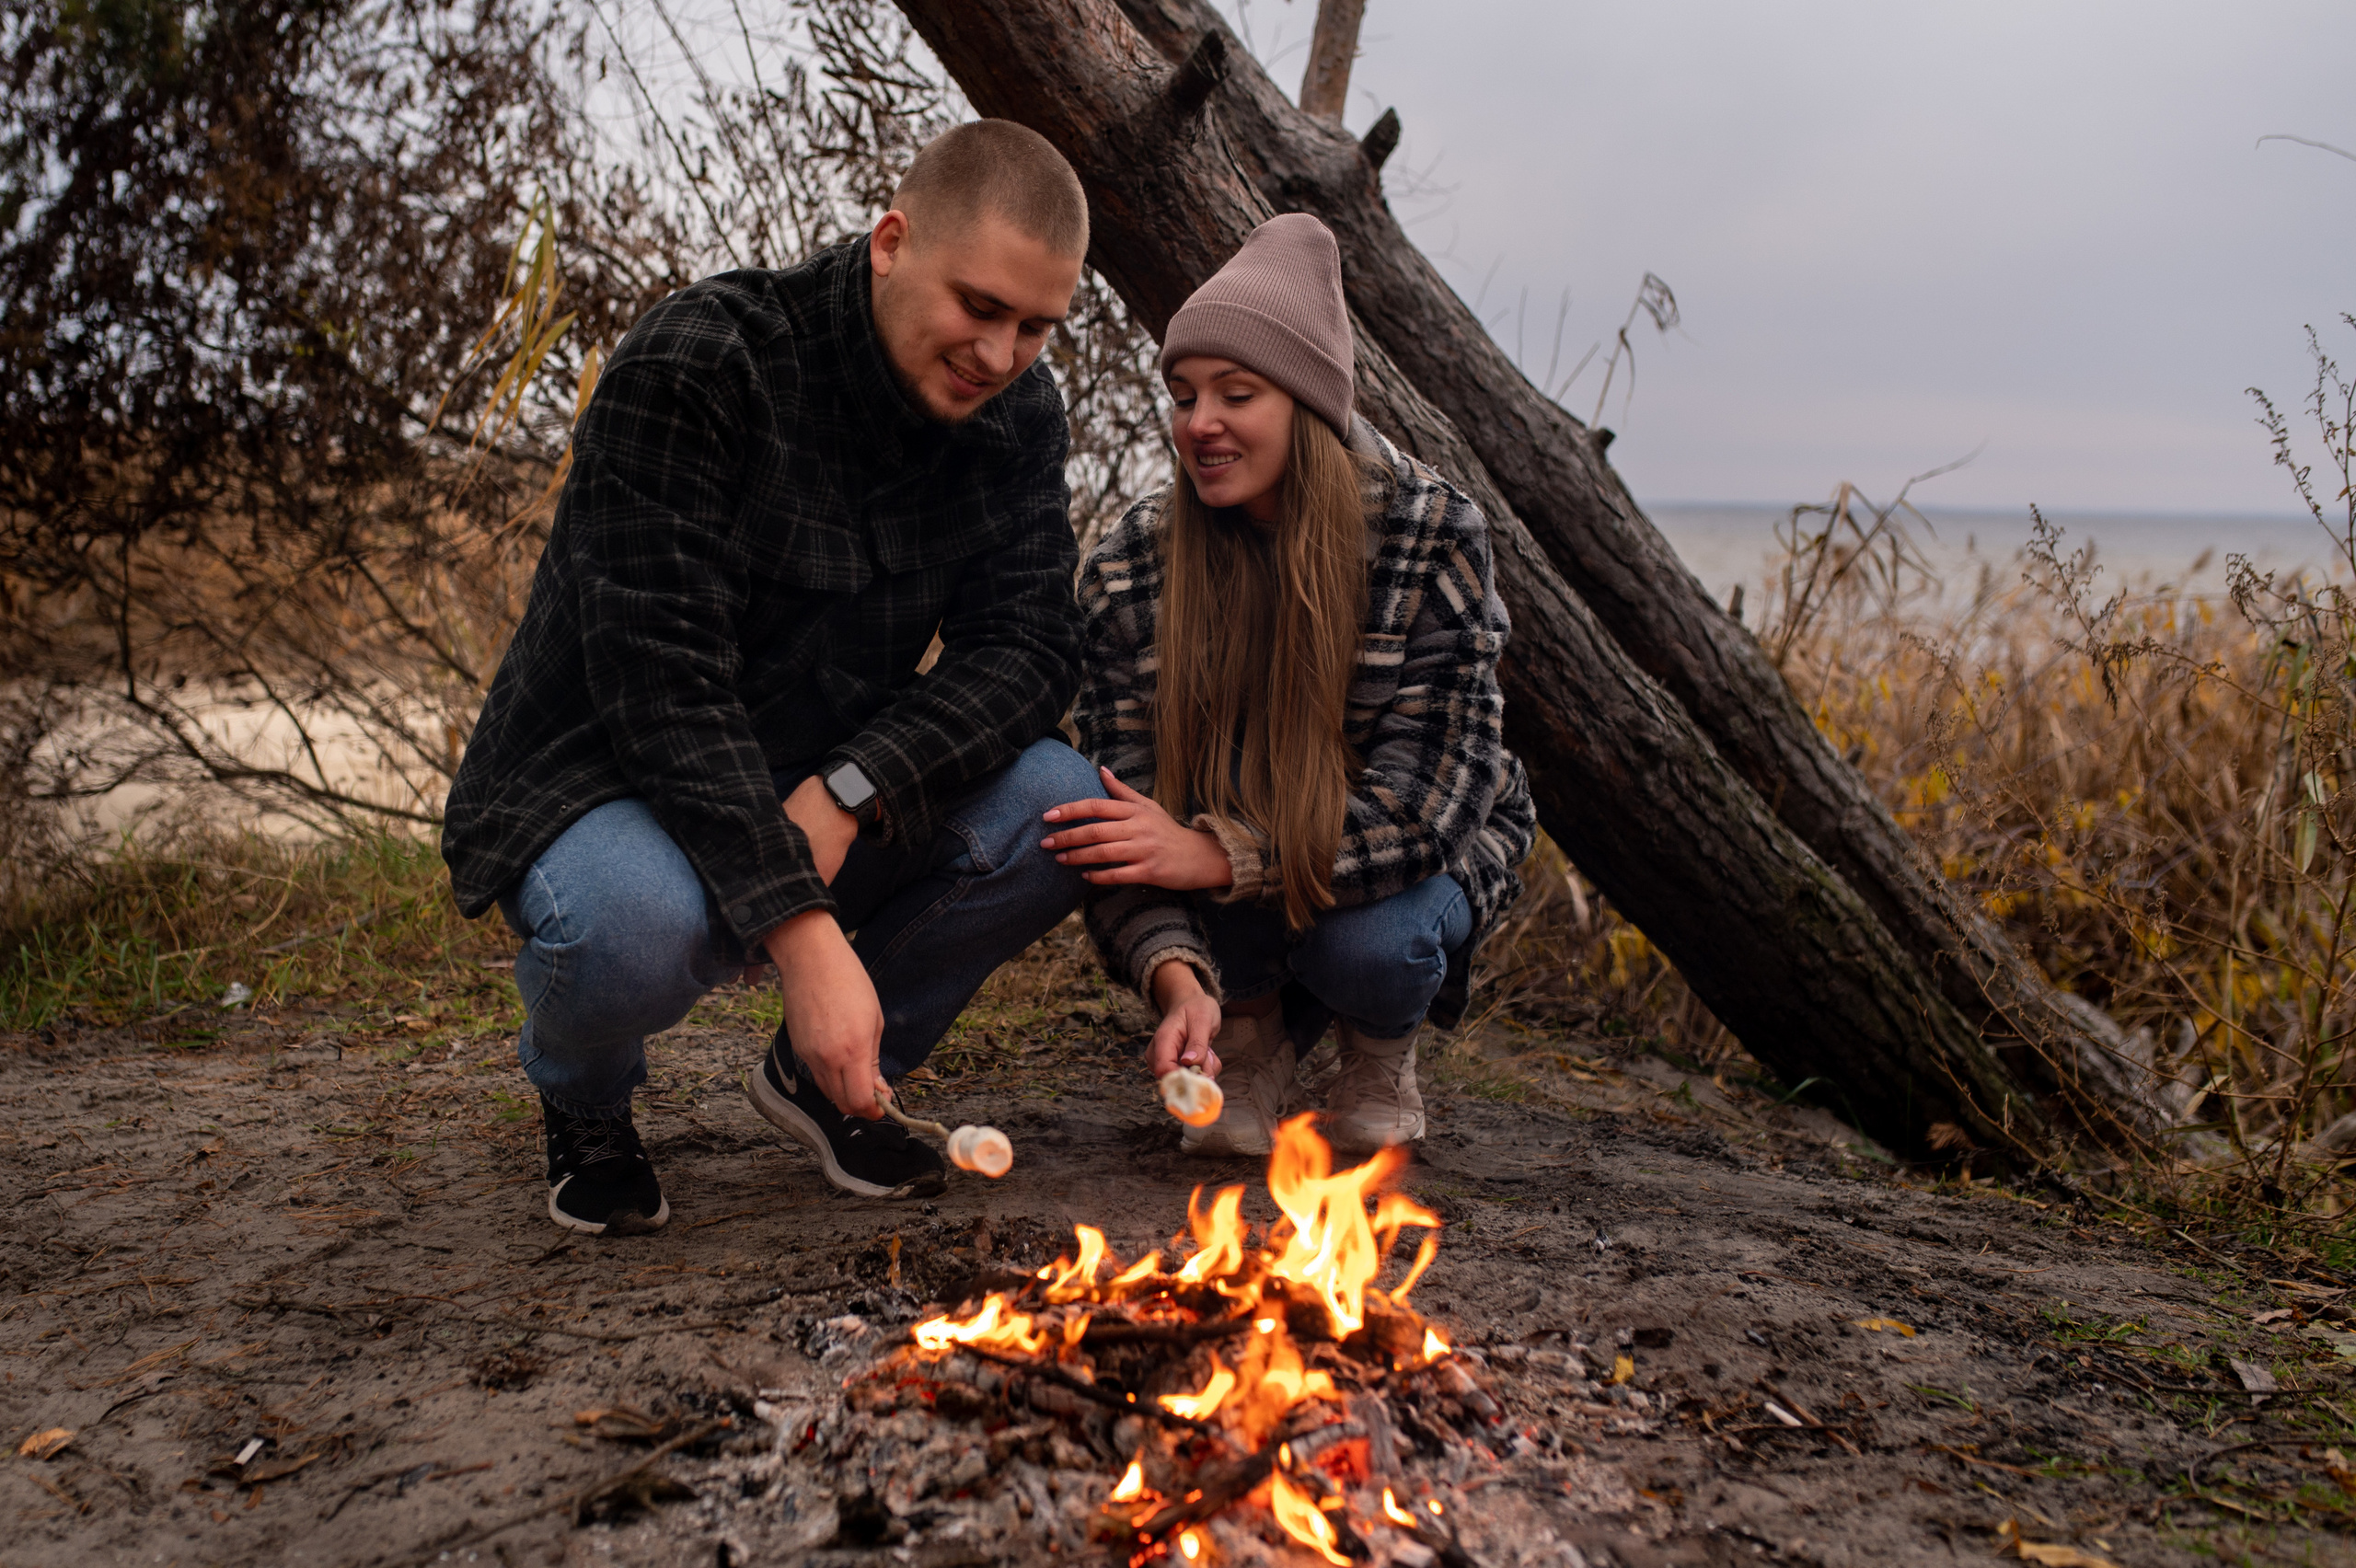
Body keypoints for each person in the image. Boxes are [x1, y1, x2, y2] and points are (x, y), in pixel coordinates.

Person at [442, 121, 1107, 1235]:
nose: (1000, 356)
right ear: (892, 241)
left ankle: (829, 1080)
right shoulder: (701, 359)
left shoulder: (1019, 421)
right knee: (629, 928)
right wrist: (799, 924)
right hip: (608, 773)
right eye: (980, 308)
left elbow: (1030, 649)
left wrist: (855, 787)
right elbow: (661, 680)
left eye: (1036, 327)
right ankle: (585, 1099)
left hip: (817, 767)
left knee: (1056, 802)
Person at [1045, 213, 1537, 1158]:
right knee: (1183, 885)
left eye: (1237, 393)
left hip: (1397, 860)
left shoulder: (1429, 535)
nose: (1200, 424)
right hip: (1240, 865)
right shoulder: (1132, 570)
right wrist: (1176, 972)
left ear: (1310, 405)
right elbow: (1118, 819)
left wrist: (1221, 857)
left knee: (1367, 952)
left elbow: (1428, 810)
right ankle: (1252, 1032)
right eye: (1184, 395)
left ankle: (1377, 1043)